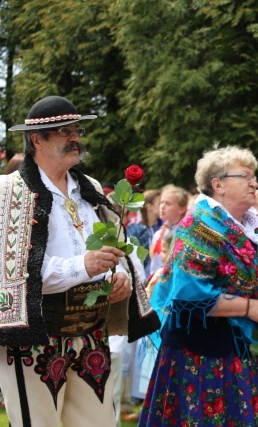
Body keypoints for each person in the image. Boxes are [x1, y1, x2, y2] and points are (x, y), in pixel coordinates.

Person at [0, 95, 158, 426]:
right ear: (36, 140)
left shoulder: (88, 187)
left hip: (90, 331)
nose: (75, 137)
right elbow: (11, 273)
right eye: (63, 131)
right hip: (35, 336)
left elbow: (112, 250)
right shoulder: (8, 192)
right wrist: (84, 266)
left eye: (77, 129)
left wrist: (117, 279)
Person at [140, 146, 258, 425]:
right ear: (218, 184)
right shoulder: (198, 225)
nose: (254, 183)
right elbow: (188, 295)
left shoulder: (253, 225)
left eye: (254, 176)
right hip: (206, 355)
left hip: (246, 351)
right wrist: (250, 307)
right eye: (245, 176)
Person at [147, 184, 189, 273]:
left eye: (168, 203)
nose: (162, 207)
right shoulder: (158, 234)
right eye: (161, 202)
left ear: (181, 209)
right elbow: (154, 266)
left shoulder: (186, 233)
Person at [127, 189, 163, 276]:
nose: (162, 206)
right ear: (149, 206)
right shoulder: (134, 231)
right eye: (160, 203)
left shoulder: (164, 228)